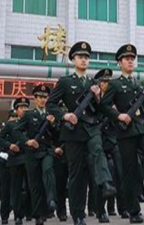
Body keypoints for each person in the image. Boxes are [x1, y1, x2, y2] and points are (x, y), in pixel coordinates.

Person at [46, 41, 116, 225]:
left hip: (92, 128)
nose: (84, 60)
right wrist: (65, 115)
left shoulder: (94, 83)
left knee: (98, 154)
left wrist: (99, 96)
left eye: (86, 57)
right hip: (73, 132)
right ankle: (78, 214)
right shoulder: (65, 81)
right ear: (73, 60)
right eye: (80, 57)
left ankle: (106, 186)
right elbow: (50, 105)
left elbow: (100, 109)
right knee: (77, 174)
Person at [100, 44, 144, 224]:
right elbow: (104, 106)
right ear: (119, 63)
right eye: (127, 59)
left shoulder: (139, 84)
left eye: (132, 59)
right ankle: (134, 211)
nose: (131, 61)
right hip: (126, 132)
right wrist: (118, 115)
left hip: (143, 127)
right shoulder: (114, 85)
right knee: (130, 172)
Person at [15, 84, 58, 225]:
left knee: (48, 169)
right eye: (40, 97)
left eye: (45, 97)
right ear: (34, 98)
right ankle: (39, 214)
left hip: (46, 151)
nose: (43, 100)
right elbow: (16, 131)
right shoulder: (28, 115)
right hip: (32, 154)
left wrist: (52, 124)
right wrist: (28, 141)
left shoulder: (51, 115)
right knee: (35, 185)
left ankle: (51, 199)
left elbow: (57, 136)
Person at [94, 68, 126, 223]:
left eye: (108, 81)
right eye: (103, 81)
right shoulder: (92, 99)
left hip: (113, 141)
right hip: (98, 142)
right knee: (104, 175)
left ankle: (123, 207)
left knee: (121, 173)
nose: (106, 84)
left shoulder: (114, 100)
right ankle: (101, 211)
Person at [0, 98, 32, 225]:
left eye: (25, 107)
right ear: (16, 110)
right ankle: (18, 215)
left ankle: (31, 212)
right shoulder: (11, 124)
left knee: (31, 187)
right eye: (21, 107)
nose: (24, 109)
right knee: (16, 189)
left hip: (29, 159)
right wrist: (10, 145)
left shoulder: (32, 122)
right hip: (15, 159)